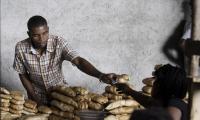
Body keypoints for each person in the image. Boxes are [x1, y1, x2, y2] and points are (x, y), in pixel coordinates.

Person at [13, 15, 117, 105]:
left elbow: (79, 61)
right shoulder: (20, 47)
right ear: (29, 34)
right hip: (35, 95)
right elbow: (22, 74)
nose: (42, 39)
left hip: (61, 95)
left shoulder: (59, 42)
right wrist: (36, 99)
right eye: (36, 35)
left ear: (48, 29)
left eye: (45, 33)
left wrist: (101, 75)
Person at [115, 64, 188, 120]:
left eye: (155, 81)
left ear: (160, 85)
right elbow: (148, 102)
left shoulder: (174, 104)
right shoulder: (165, 102)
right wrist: (129, 91)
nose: (153, 84)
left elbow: (170, 117)